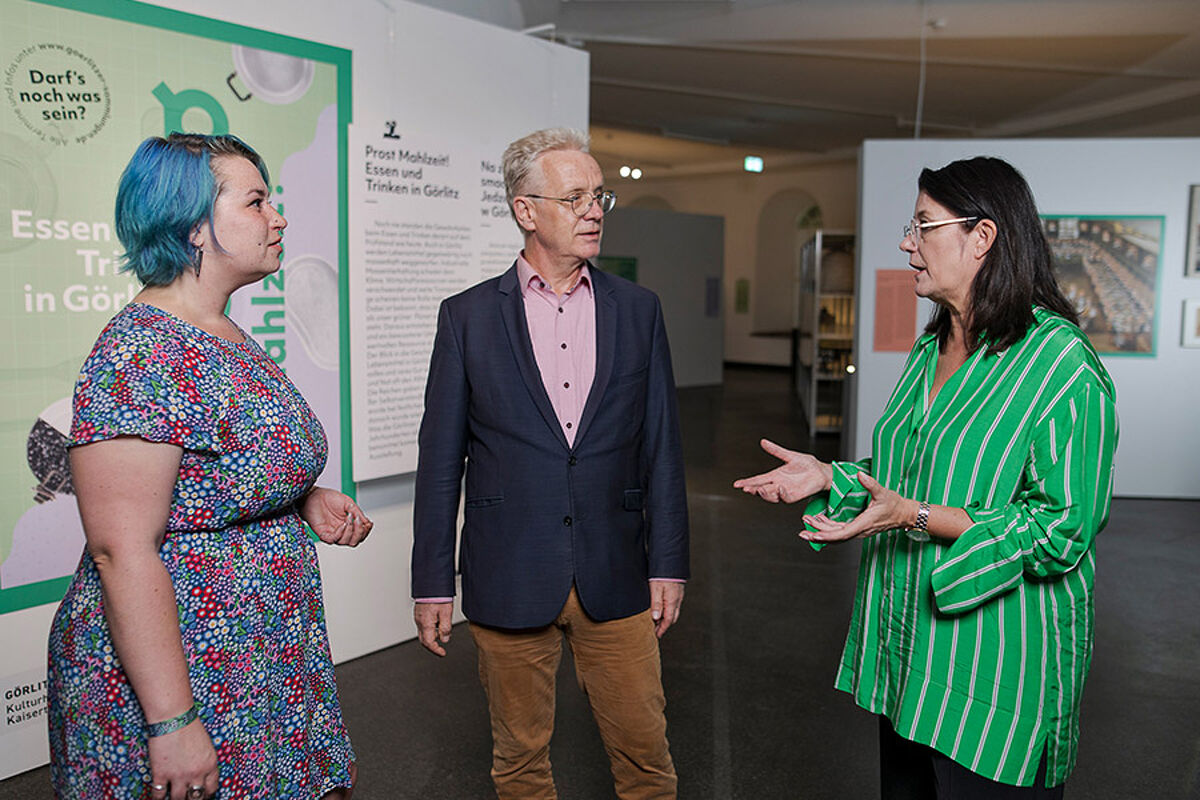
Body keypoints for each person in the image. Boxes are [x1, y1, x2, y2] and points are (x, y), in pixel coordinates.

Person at [734, 157, 1118, 799]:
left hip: (995, 672)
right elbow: (903, 476)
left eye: (922, 225)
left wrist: (912, 516)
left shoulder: (1062, 366)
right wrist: (829, 475)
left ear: (982, 237)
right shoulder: (929, 348)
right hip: (911, 657)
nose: (907, 244)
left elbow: (1061, 529)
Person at [47, 133, 371, 800]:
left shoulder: (221, 329)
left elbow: (216, 467)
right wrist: (174, 721)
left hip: (262, 656)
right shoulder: (139, 354)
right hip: (190, 669)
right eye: (256, 202)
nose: (277, 217)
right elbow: (120, 550)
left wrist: (300, 498)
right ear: (193, 225)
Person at [412, 127, 689, 799]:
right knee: (520, 761)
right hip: (508, 569)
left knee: (647, 759)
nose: (594, 209)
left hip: (617, 572)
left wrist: (669, 563)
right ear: (526, 209)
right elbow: (441, 460)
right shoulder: (467, 318)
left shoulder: (639, 311)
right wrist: (431, 583)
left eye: (600, 195)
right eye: (575, 197)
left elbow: (661, 447)